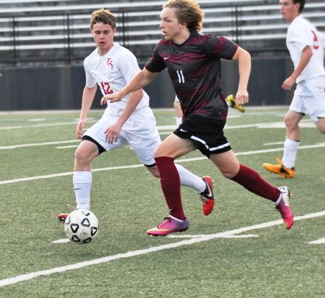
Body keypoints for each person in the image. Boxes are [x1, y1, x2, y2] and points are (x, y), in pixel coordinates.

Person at [102, 0, 293, 236]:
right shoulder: (163, 48)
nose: (161, 24)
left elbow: (243, 55)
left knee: (161, 155)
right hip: (195, 115)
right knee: (231, 170)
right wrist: (122, 92)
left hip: (210, 113)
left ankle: (177, 217)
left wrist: (242, 88)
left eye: (167, 20)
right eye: (161, 19)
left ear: (183, 23)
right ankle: (278, 196)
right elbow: (145, 76)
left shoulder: (207, 42)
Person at [58, 8, 215, 221]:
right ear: (91, 33)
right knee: (82, 154)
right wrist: (82, 118)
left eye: (106, 32)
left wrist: (120, 124)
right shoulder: (90, 60)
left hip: (138, 121)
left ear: (113, 31)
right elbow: (89, 88)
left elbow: (138, 93)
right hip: (112, 117)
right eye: (97, 32)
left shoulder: (123, 56)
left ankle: (203, 185)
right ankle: (82, 211)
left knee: (158, 170)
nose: (101, 37)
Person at [262, 0, 324, 178]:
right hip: (307, 82)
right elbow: (320, 48)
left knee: (323, 127)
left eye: (286, 3)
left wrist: (293, 76)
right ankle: (287, 167)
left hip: (311, 83)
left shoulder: (297, 27)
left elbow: (308, 52)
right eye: (280, 3)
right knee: (290, 121)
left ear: (297, 6)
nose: (281, 7)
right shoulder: (304, 25)